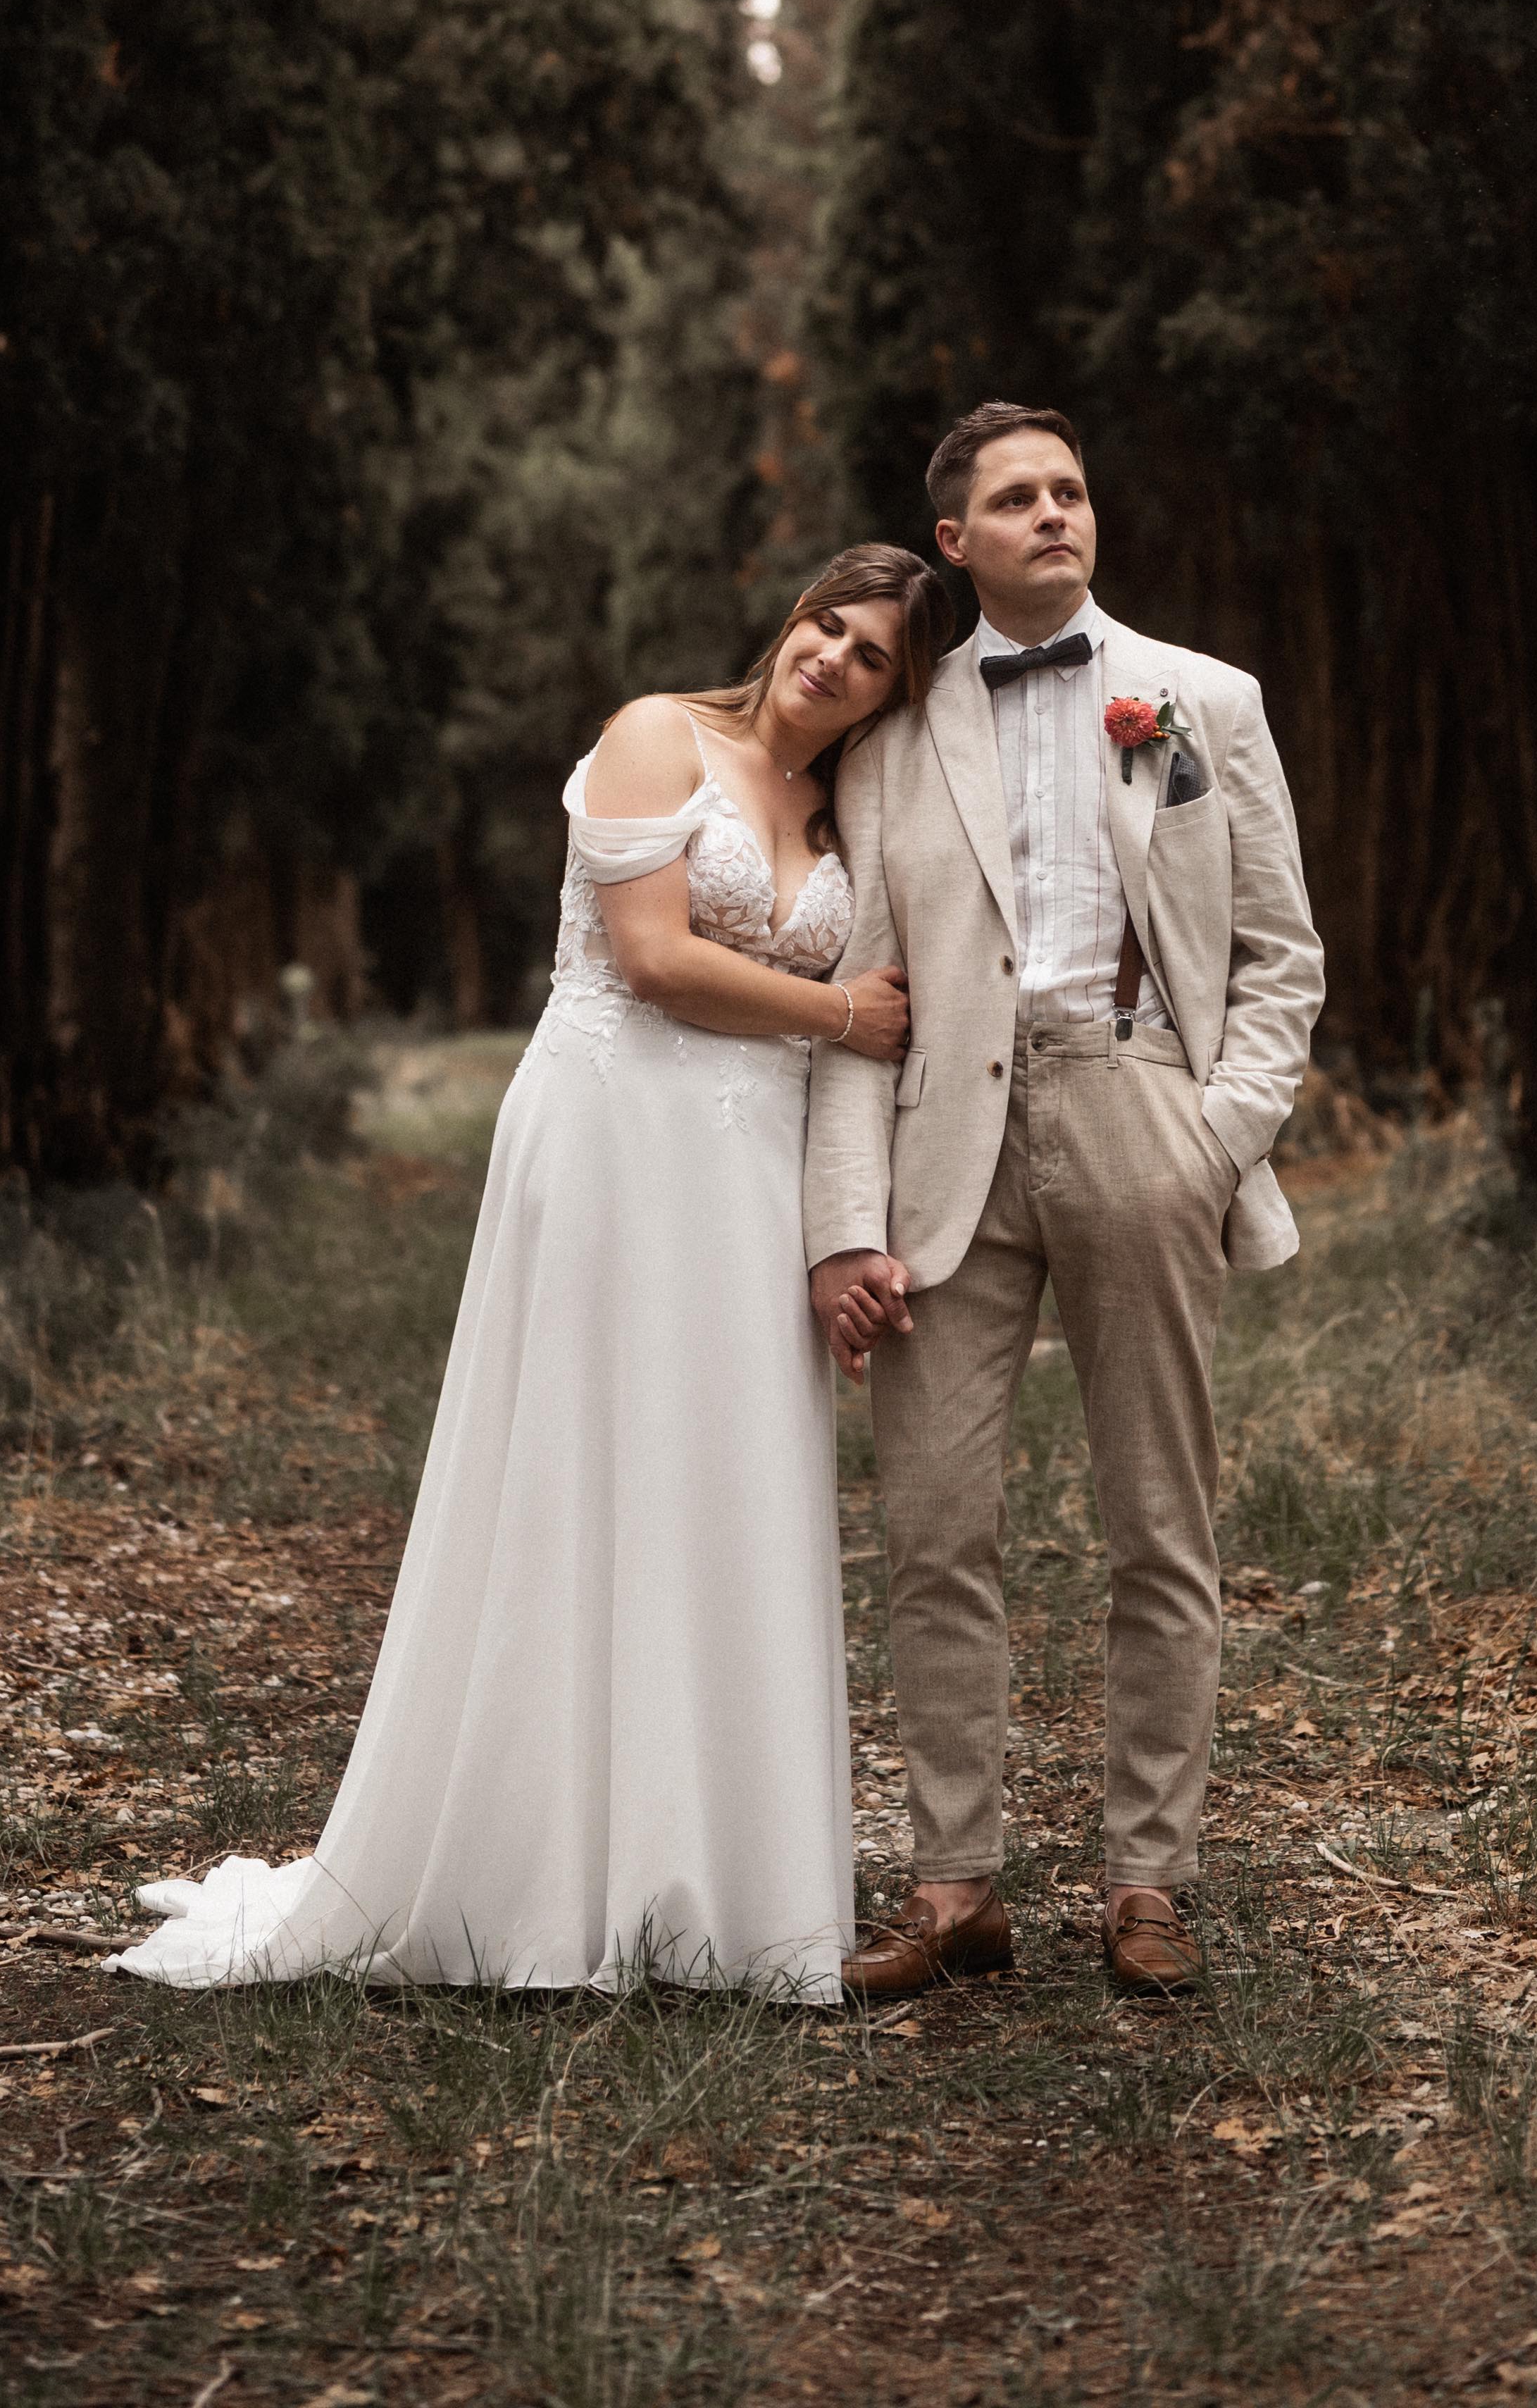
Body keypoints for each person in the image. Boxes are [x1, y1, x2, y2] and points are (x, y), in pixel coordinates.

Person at [112, 545, 944, 2005]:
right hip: (614, 1133)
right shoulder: (655, 733)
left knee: (726, 1481)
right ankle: (532, 1867)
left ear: (896, 691)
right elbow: (650, 958)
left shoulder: (846, 813)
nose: (833, 657)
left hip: (750, 1171)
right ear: (790, 617)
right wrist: (840, 1013)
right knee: (574, 1468)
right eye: (828, 622)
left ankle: (715, 1884)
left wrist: (847, 1213)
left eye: (873, 655)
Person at [804, 406, 1324, 2001]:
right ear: (953, 541)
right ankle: (955, 1885)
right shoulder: (894, 739)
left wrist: (1211, 1134)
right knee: (935, 1530)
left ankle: (1147, 1882)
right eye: (1014, 499)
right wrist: (841, 1223)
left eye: (1071, 491)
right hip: (937, 1159)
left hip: (1134, 1116)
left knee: (1158, 1527)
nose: (1053, 515)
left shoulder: (1199, 702)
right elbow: (857, 991)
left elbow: (1279, 956)